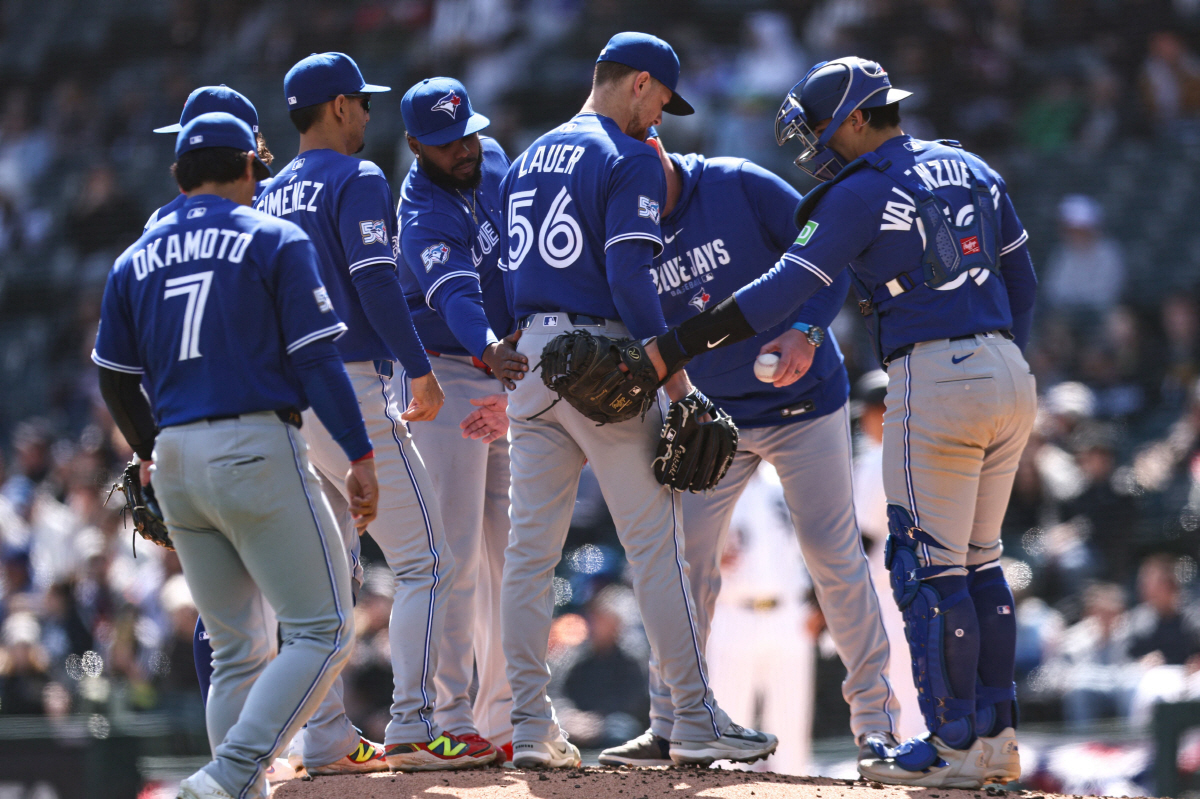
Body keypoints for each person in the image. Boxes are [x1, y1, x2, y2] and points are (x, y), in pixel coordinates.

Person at [639, 56, 1038, 788]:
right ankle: (997, 737)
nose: (814, 145)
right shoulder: (967, 163)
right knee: (983, 564)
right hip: (1008, 367)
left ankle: (948, 744)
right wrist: (1007, 355)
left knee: (928, 570)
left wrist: (675, 345)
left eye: (821, 129)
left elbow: (785, 286)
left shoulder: (857, 191)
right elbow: (1022, 277)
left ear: (857, 119)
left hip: (934, 373)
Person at [498, 31, 777, 769]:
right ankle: (691, 716)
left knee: (529, 554)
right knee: (656, 546)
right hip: (605, 364)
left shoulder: (527, 156)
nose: (661, 120)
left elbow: (504, 277)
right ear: (639, 83)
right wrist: (676, 379)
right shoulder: (625, 158)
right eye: (661, 101)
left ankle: (527, 724)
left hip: (530, 359)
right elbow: (630, 276)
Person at [91, 111, 373, 799]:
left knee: (236, 649)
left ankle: (231, 789)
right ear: (251, 166)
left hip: (177, 454)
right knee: (325, 630)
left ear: (178, 174)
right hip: (253, 442)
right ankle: (224, 776)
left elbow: (113, 377)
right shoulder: (272, 236)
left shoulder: (136, 256)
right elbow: (317, 362)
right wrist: (361, 452)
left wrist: (152, 450)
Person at [598, 131, 898, 767]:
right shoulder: (626, 219)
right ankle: (669, 725)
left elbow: (833, 257)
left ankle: (877, 724)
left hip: (805, 402)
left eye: (637, 171)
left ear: (658, 149)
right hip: (714, 419)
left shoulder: (737, 183)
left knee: (834, 555)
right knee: (684, 566)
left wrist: (809, 329)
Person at [256, 52, 497, 772]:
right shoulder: (356, 177)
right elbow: (376, 283)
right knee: (427, 558)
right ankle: (415, 727)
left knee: (325, 579)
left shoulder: (267, 193)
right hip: (349, 385)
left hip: (286, 404)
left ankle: (324, 735)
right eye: (359, 101)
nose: (366, 112)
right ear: (334, 106)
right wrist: (421, 370)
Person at [395, 76, 527, 759]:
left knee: (514, 555)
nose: (464, 149)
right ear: (416, 144)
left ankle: (507, 717)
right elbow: (457, 299)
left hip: (504, 369)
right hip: (446, 373)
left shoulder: (495, 158)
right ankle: (447, 714)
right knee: (454, 555)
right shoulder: (420, 212)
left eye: (467, 132)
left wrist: (511, 363)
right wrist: (490, 352)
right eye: (446, 143)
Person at [852, 370, 925, 741]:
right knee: (920, 676)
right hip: (927, 582)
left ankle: (909, 755)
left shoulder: (876, 458)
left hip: (889, 589)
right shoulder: (921, 451)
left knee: (897, 679)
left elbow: (862, 537)